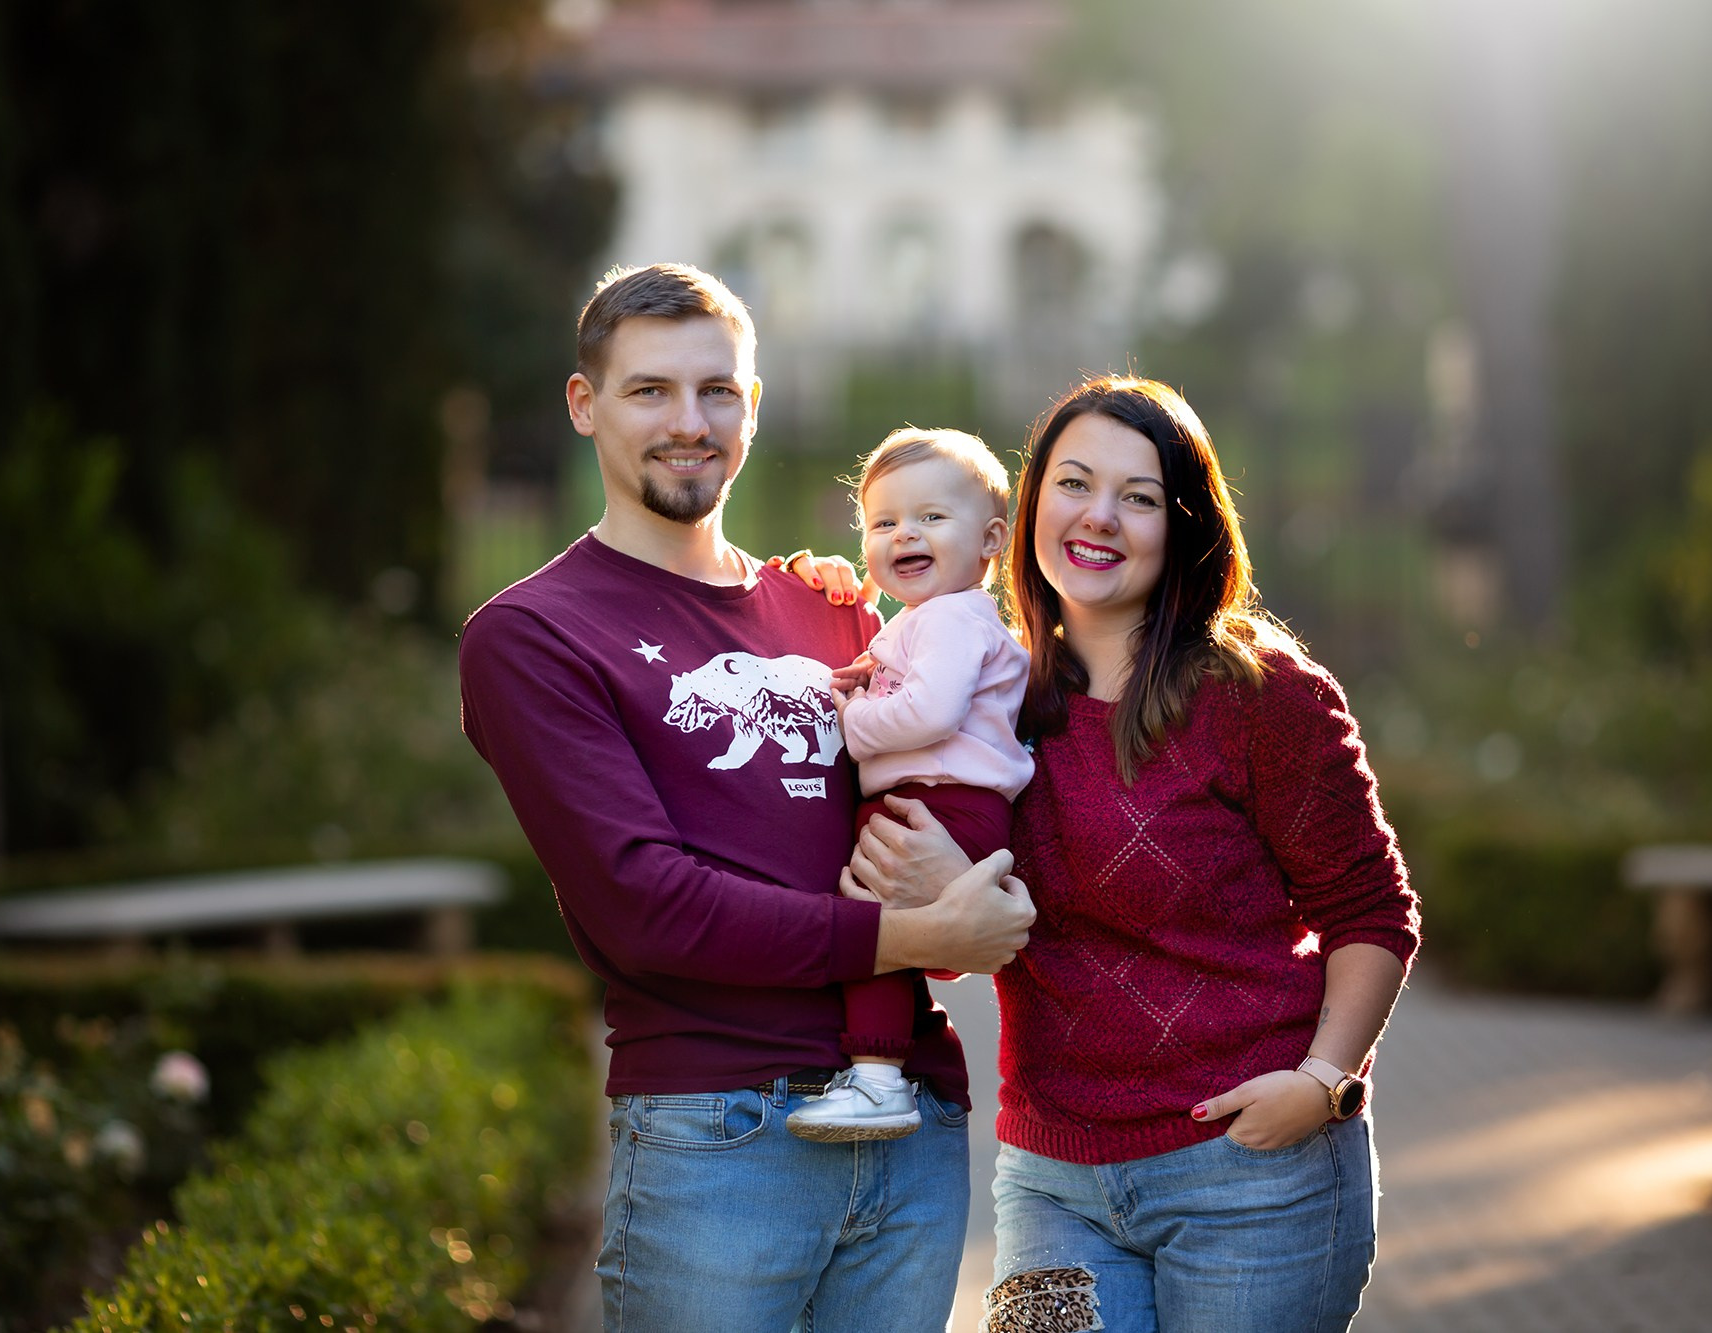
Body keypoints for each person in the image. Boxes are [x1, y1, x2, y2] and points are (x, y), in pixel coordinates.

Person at [457, 262, 1034, 1333]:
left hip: (910, 1123)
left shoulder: (847, 611)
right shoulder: (533, 635)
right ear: (584, 405)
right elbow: (647, 907)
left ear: (752, 407)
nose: (690, 422)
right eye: (649, 391)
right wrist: (914, 928)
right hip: (714, 1137)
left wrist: (960, 906)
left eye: (717, 390)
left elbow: (951, 838)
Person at [821, 376, 1421, 1332]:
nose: (1098, 517)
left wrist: (1323, 1081)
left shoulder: (1263, 693)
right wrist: (829, 595)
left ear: (1183, 525)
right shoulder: (989, 682)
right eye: (1073, 483)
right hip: (1052, 1182)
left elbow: (1372, 910)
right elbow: (947, 950)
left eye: (1138, 497)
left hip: (1249, 1169)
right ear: (1027, 510)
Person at [784, 428, 1034, 1143]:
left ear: (990, 539)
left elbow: (930, 712)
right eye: (884, 522)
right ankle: (877, 1076)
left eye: (930, 517)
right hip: (938, 805)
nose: (904, 534)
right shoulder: (927, 620)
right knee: (880, 934)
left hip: (946, 806)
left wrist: (852, 721)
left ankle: (878, 1079)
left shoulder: (954, 618)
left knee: (872, 930)